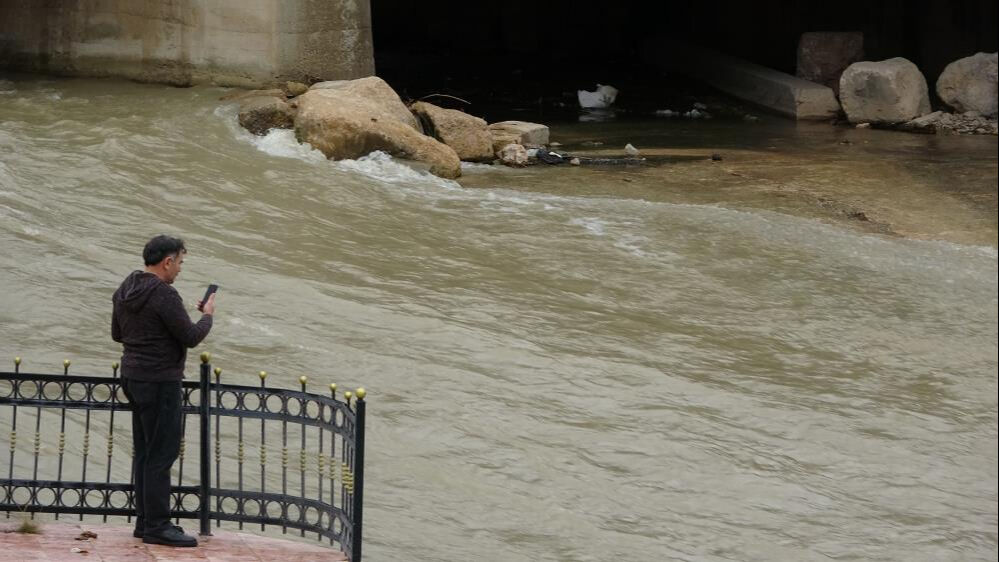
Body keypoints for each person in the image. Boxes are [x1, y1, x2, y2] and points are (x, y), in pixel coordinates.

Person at [111, 234, 216, 547]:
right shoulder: (164, 294)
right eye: (180, 262)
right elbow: (191, 336)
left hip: (132, 376)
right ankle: (157, 525)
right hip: (160, 381)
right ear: (167, 261)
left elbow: (117, 334)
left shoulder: (126, 288)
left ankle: (145, 522)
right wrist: (208, 315)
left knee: (145, 452)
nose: (180, 269)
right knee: (162, 453)